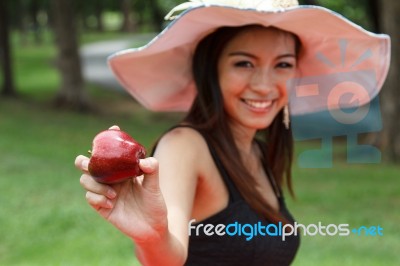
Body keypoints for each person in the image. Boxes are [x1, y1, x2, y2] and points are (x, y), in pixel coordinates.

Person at [75, 0, 390, 265]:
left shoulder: (258, 152)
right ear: (210, 69)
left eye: (283, 65)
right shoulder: (185, 146)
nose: (265, 85)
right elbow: (169, 255)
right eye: (244, 64)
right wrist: (154, 238)